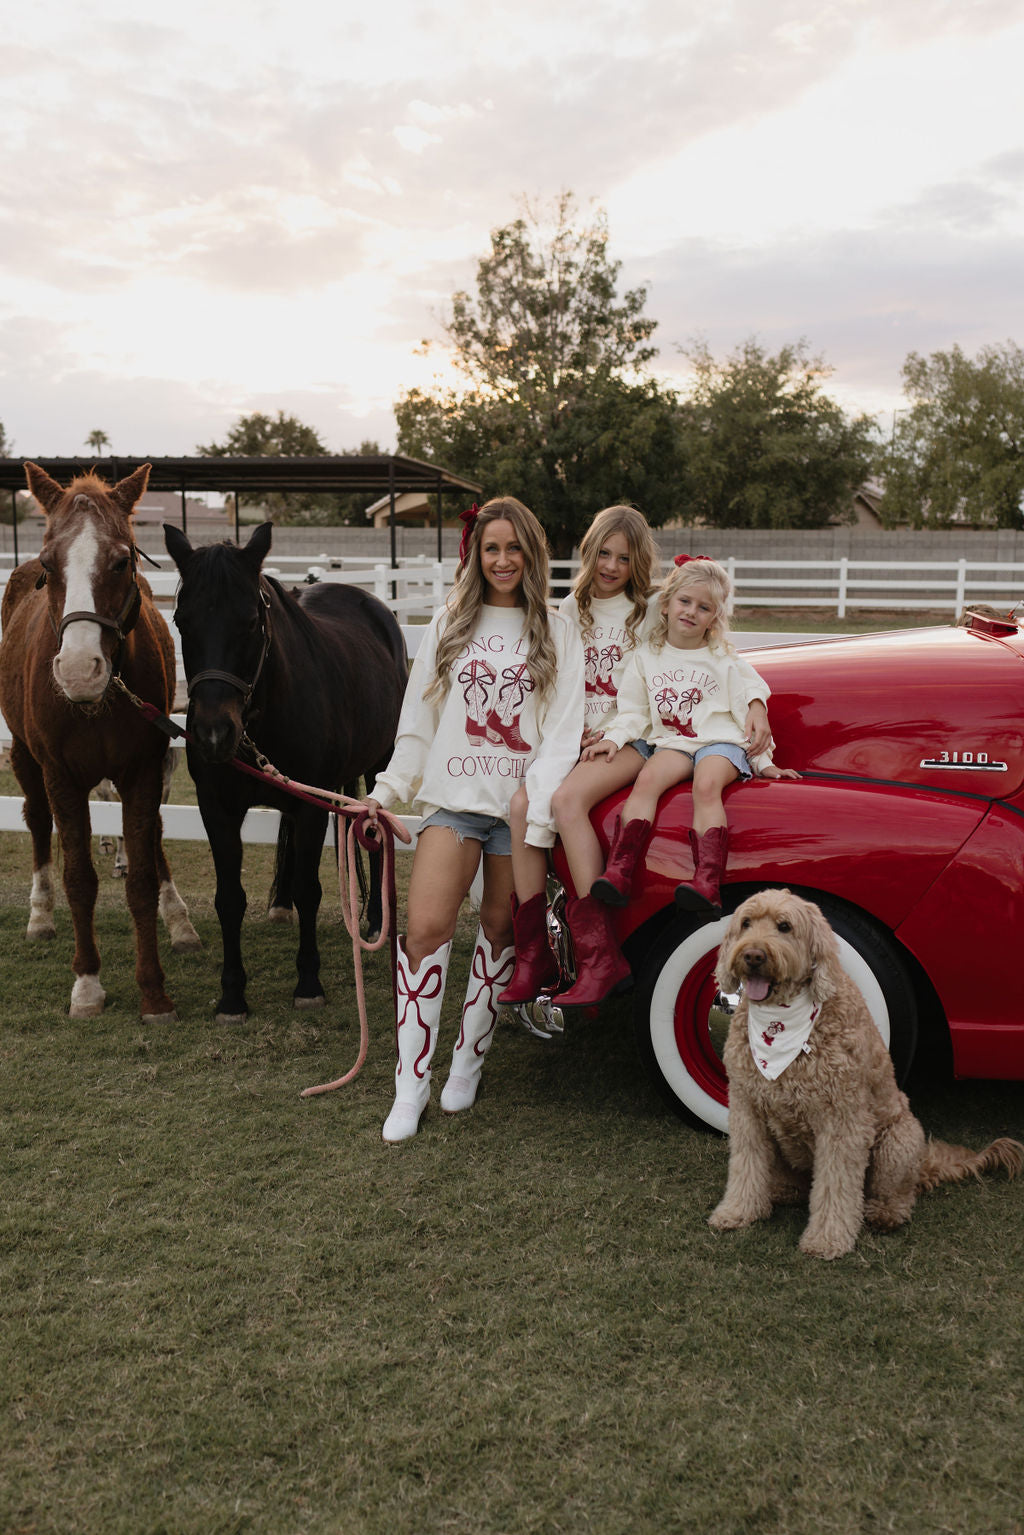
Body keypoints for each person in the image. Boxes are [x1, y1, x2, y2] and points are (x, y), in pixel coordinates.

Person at [363, 497, 585, 1143]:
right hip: (452, 804)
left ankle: (469, 1060)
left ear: (532, 553)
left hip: (515, 814)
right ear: (476, 553)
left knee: (498, 931)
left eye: (515, 547)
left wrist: (532, 804)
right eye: (492, 548)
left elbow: (564, 729)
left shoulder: (557, 628)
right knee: (426, 929)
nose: (503, 559)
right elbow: (418, 722)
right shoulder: (451, 621)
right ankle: (410, 1085)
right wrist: (386, 790)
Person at [577, 554, 799, 978]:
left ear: (715, 617)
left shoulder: (722, 659)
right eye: (684, 601)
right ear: (666, 604)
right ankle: (620, 871)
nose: (691, 612)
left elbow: (751, 706)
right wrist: (613, 739)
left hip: (721, 743)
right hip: (675, 742)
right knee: (647, 779)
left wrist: (765, 764)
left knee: (706, 785)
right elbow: (632, 713)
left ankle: (707, 881)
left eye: (703, 607)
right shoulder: (646, 657)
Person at [499, 504, 660, 1008]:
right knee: (521, 807)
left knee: (568, 801)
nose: (611, 566)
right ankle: (535, 954)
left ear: (638, 565)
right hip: (573, 739)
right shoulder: (568, 611)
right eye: (604, 554)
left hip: (631, 738)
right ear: (590, 551)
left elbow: (702, 656)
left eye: (624, 559)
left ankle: (600, 956)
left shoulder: (651, 610)